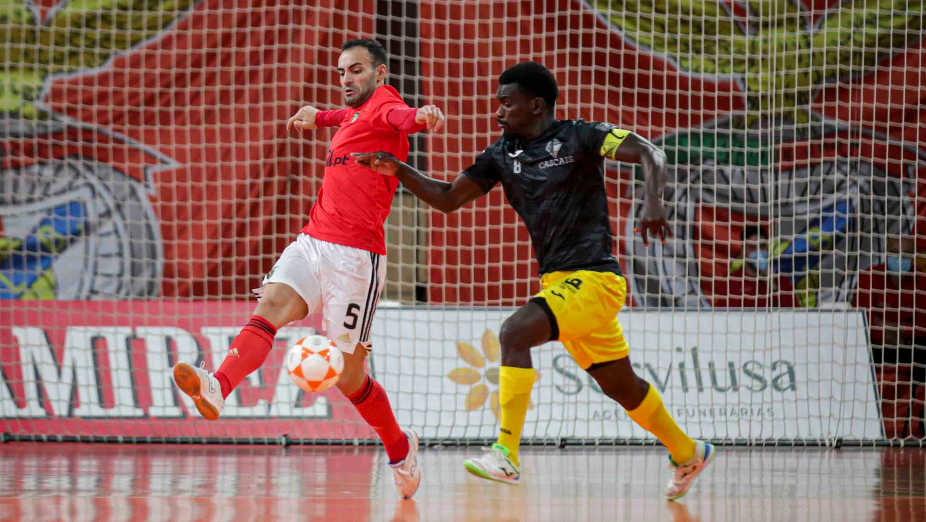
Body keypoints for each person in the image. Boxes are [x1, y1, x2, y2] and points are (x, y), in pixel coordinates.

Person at [355, 61, 714, 500]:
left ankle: (506, 451)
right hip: (561, 285)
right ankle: (688, 450)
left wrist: (653, 203)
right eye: (498, 103)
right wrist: (399, 170)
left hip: (596, 279)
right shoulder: (501, 154)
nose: (499, 112)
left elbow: (651, 154)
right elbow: (448, 199)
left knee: (515, 331)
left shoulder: (582, 135)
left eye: (508, 103)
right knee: (621, 385)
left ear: (536, 104)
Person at [170, 39, 445, 499]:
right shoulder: (356, 114)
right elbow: (345, 116)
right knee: (270, 305)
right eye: (341, 73)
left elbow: (399, 118)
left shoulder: (386, 104)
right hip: (313, 242)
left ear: (380, 75)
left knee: (349, 376)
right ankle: (217, 385)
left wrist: (421, 116)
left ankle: (400, 448)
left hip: (356, 260)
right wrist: (315, 115)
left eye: (356, 71)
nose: (346, 80)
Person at [853, 233, 926, 438]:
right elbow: (861, 318)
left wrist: (892, 328)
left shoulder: (922, 282)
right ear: (885, 254)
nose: (900, 259)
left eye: (906, 254)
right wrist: (895, 329)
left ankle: (916, 425)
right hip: (876, 349)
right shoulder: (869, 277)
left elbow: (922, 327)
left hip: (912, 349)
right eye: (894, 253)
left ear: (914, 256)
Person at [710, 225, 796, 308]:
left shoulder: (781, 279)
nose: (758, 252)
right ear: (743, 252)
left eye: (762, 246)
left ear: (767, 249)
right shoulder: (730, 282)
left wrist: (772, 284)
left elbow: (793, 314)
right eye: (752, 247)